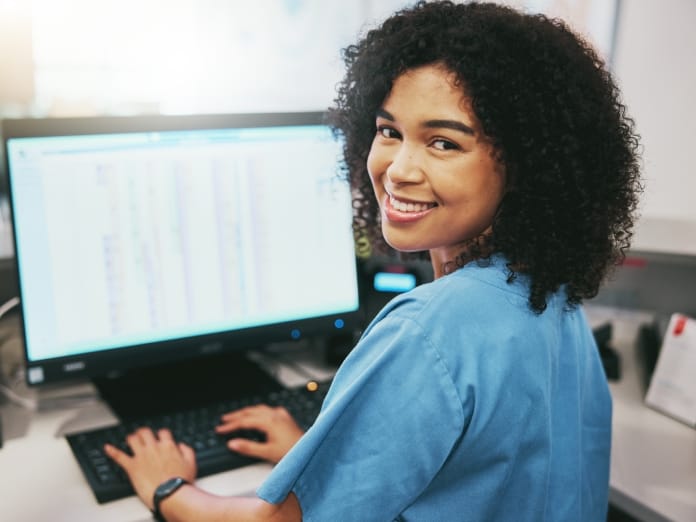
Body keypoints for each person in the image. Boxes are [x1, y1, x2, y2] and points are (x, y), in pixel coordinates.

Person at [104, 1, 642, 520]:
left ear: (526, 166)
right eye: (389, 132)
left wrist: (168, 488)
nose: (398, 169)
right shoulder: (552, 299)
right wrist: (325, 456)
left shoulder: (426, 333)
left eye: (444, 143)